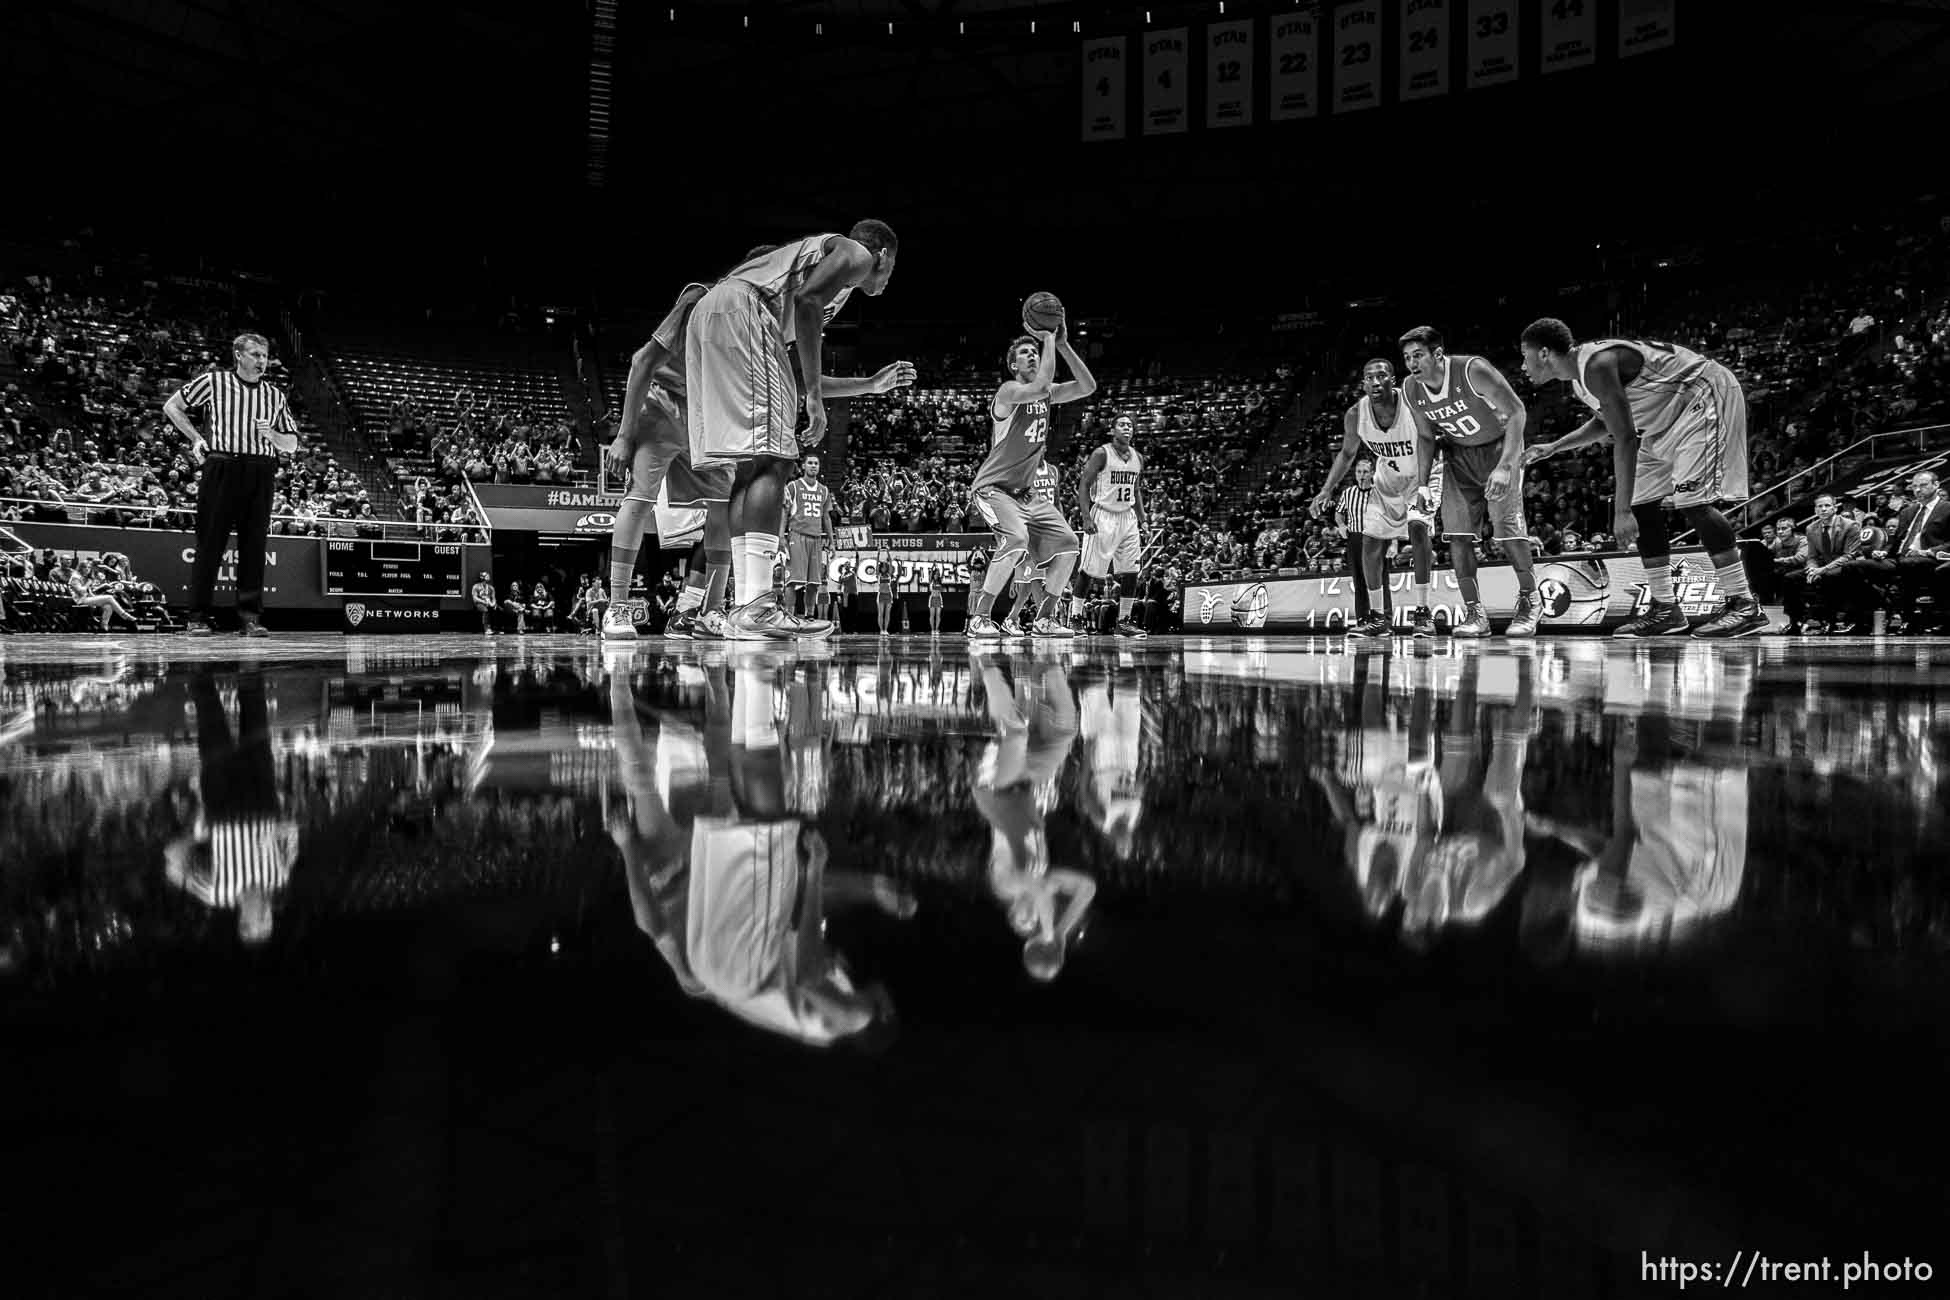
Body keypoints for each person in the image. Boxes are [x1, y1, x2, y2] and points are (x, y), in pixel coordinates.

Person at [686, 225, 914, 641]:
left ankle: (745, 608)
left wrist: (869, 385)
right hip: (743, 310)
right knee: (776, 459)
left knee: (751, 466)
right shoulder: (856, 253)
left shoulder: (816, 275)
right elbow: (809, 302)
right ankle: (757, 606)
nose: (888, 274)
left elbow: (790, 374)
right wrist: (814, 401)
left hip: (712, 315)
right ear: (882, 254)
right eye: (893, 265)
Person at [1521, 320, 1763, 638]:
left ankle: (1744, 603)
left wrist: (1619, 513)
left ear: (1544, 353)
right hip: (1664, 418)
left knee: (1693, 501)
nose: (1522, 366)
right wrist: (1554, 447)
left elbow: (1625, 439)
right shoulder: (1581, 379)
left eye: (1524, 356)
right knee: (1643, 506)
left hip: (1701, 395)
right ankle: (1666, 609)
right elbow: (1606, 423)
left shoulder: (1596, 364)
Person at [604, 248, 776, 641]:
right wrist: (626, 434)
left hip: (707, 417)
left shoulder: (759, 324)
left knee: (723, 509)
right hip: (662, 405)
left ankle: (708, 612)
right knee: (640, 498)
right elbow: (642, 362)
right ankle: (615, 608)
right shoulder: (700, 299)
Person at [1398, 326, 1538, 638]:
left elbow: (1517, 412)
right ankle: (1475, 613)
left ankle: (1530, 599)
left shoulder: (1472, 370)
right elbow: (1424, 435)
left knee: (1506, 532)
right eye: (1407, 358)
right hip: (1459, 457)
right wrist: (1421, 484)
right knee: (1458, 536)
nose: (1411, 363)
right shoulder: (1410, 388)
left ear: (1437, 354)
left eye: (1418, 355)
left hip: (1499, 450)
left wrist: (1505, 467)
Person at [161, 332, 301, 637]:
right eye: (254, 354)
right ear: (238, 355)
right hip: (222, 465)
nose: (261, 361)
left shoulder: (275, 395)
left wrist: (272, 437)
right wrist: (197, 438)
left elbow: (291, 444)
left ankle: (250, 617)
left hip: (261, 470)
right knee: (210, 543)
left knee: (254, 546)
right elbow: (172, 407)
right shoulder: (214, 381)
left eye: (264, 355)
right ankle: (197, 616)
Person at [967, 313, 1096, 640]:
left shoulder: (1046, 392)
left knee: (1069, 545)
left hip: (1025, 493)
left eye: (1034, 351)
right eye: (1025, 353)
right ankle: (980, 618)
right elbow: (1039, 385)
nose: (1033, 354)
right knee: (1017, 539)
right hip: (992, 489)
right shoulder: (1009, 391)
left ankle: (1044, 619)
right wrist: (1048, 337)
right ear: (1013, 365)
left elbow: (1087, 386)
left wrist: (1063, 345)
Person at [972, 652, 1095, 980]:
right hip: (1026, 785)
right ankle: (1046, 658)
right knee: (1065, 729)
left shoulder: (1006, 886)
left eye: (1021, 921)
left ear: (1012, 913)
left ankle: (983, 659)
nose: (1029, 919)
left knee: (1015, 734)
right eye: (1033, 923)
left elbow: (1039, 894)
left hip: (995, 790)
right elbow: (1087, 889)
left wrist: (1048, 932)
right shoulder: (1044, 881)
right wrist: (1062, 933)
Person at [1310, 359, 1440, 639]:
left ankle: (1423, 613)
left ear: (1393, 379)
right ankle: (1378, 619)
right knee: (1370, 541)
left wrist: (1423, 484)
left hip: (1423, 472)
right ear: (1363, 384)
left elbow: (1430, 439)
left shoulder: (1412, 402)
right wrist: (1326, 490)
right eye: (1370, 377)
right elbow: (1346, 455)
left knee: (1418, 527)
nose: (1376, 381)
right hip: (1389, 477)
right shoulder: (1356, 414)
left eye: (1382, 375)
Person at [1077, 414, 1148, 637]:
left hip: (1127, 517)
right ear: (1112, 430)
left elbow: (1135, 490)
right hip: (1103, 515)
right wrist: (1086, 517)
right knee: (1089, 570)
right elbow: (1084, 484)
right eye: (1122, 425)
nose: (1127, 428)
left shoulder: (1138, 458)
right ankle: (1075, 618)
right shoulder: (1101, 453)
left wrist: (1143, 519)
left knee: (1131, 571)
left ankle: (1124, 622)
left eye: (1130, 425)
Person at [1885, 469, 1950, 630]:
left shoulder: (1948, 508)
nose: (1918, 490)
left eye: (1923, 485)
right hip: (1899, 557)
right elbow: (1896, 541)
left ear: (1936, 485)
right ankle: (1863, 620)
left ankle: (1909, 619)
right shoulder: (1907, 511)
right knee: (1854, 568)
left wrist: (1927, 552)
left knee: (1909, 564)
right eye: (1914, 487)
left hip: (1930, 557)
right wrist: (1884, 552)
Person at [1332, 459, 1391, 626]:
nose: (1362, 475)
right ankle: (1362, 620)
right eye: (1359, 472)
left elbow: (1391, 517)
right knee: (1359, 581)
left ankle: (1384, 620)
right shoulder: (1348, 493)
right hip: (1356, 538)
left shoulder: (1380, 492)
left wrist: (1393, 542)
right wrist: (1342, 525)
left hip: (1377, 537)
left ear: (1372, 473)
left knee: (1380, 579)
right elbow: (1339, 513)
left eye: (1365, 472)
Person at [780, 453, 835, 623]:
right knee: (793, 580)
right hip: (797, 535)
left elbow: (826, 517)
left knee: (814, 582)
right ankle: (789, 615)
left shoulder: (824, 490)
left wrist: (832, 541)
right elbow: (784, 511)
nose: (813, 466)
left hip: (816, 538)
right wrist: (781, 535)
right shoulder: (793, 486)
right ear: (803, 466)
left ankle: (809, 616)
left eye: (816, 463)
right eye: (810, 463)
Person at [874, 542, 901, 637]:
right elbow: (876, 563)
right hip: (881, 595)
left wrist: (888, 552)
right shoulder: (879, 574)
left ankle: (885, 630)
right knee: (881, 613)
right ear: (881, 568)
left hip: (889, 595)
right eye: (883, 566)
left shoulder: (889, 574)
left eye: (886, 566)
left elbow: (890, 561)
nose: (884, 567)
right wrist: (878, 552)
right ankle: (881, 630)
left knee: (887, 613)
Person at [926, 566, 944, 637]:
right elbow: (930, 575)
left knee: (938, 615)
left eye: (937, 574)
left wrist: (942, 565)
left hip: (939, 598)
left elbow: (942, 573)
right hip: (932, 598)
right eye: (935, 574)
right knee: (932, 615)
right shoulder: (931, 581)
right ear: (933, 575)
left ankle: (936, 629)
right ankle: (932, 629)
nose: (936, 575)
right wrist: (933, 566)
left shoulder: (940, 581)